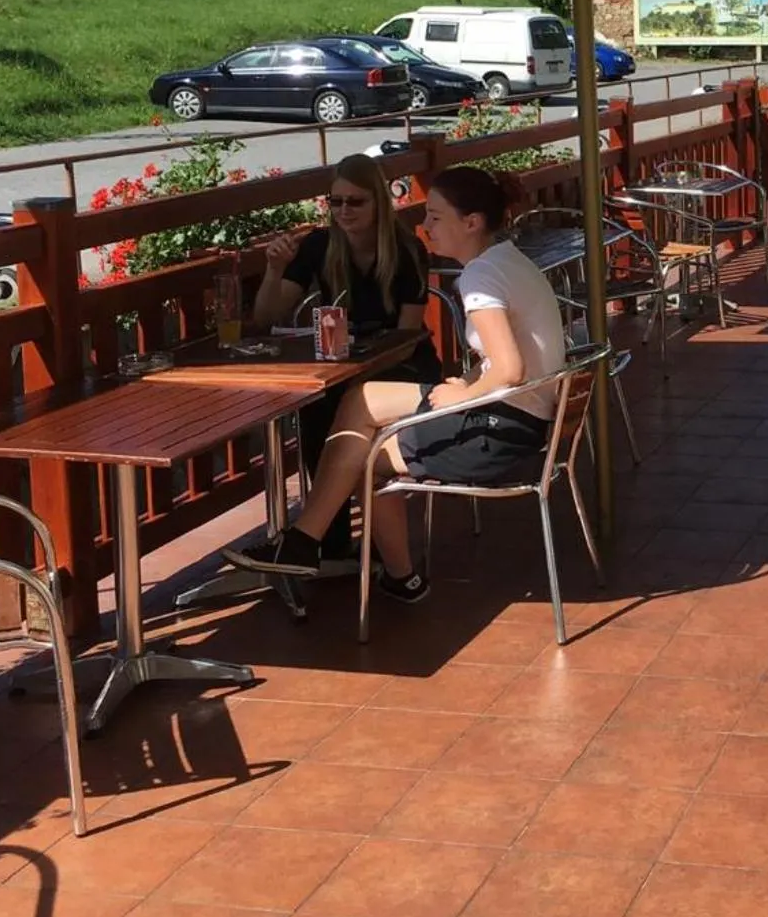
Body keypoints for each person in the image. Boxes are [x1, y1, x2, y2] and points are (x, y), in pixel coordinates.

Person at [235, 165, 569, 602]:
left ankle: (370, 564)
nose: (424, 225)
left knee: (363, 456)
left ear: (470, 222)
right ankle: (305, 543)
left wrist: (465, 395)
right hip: (521, 415)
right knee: (361, 398)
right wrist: (465, 382)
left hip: (502, 431)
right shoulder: (506, 259)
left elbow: (509, 369)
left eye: (434, 216)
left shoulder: (480, 277)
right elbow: (508, 358)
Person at [251, 154, 441, 560]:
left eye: (354, 202)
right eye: (335, 202)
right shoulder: (320, 245)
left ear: (378, 202)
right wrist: (274, 269)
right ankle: (329, 542)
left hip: (404, 364)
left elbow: (408, 336)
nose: (343, 212)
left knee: (343, 402)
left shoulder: (406, 249)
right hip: (346, 363)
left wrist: (360, 362)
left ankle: (321, 540)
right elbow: (268, 315)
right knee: (317, 406)